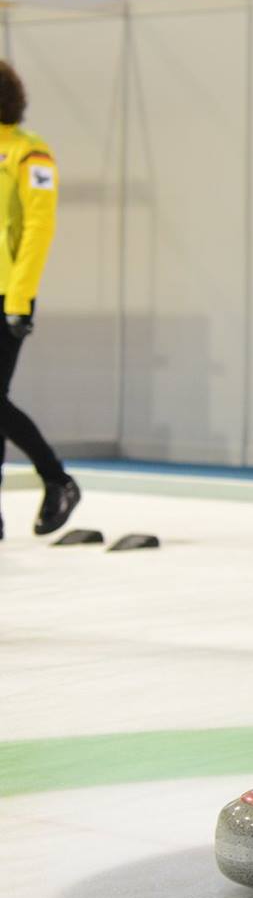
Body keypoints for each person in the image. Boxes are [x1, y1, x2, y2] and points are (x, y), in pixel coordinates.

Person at [0, 59, 81, 541]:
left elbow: (38, 229)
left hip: (7, 297)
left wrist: (19, 299)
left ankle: (57, 479)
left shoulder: (31, 155)